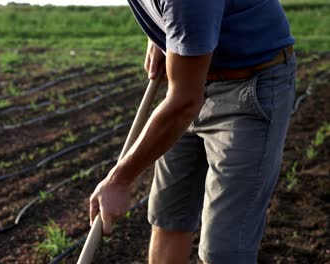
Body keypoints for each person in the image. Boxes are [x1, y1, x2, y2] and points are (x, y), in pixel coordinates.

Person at [89, 0, 296, 263]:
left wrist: (119, 180)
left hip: (249, 88)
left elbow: (184, 102)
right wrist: (168, 37)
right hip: (192, 77)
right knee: (169, 216)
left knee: (224, 251)